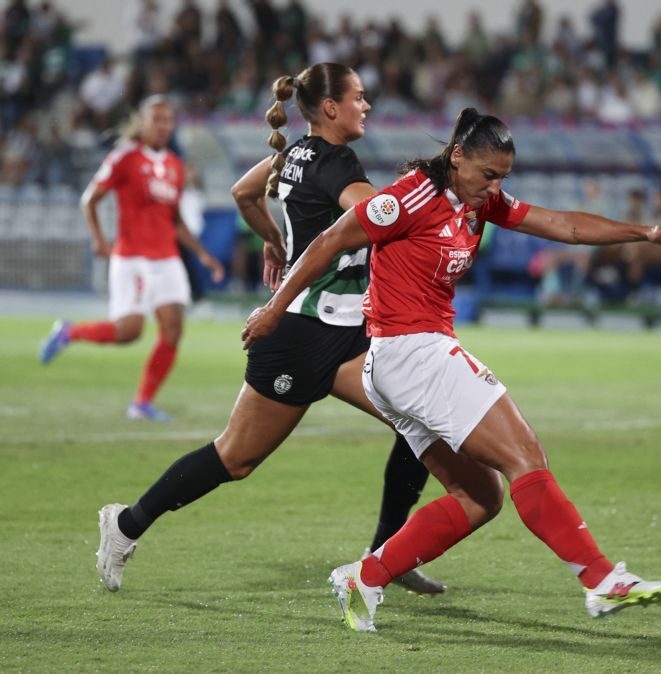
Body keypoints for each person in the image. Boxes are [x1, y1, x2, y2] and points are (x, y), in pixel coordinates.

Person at [243, 107, 661, 633]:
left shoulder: (477, 201)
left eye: (501, 177)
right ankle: (600, 579)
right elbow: (329, 242)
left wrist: (643, 232)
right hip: (413, 353)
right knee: (526, 456)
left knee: (481, 498)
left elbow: (561, 224)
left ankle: (365, 577)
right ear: (457, 157)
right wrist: (273, 309)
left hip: (397, 364)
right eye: (487, 174)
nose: (493, 187)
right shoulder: (408, 198)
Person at [92, 63, 444, 596]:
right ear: (331, 108)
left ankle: (386, 556)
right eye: (359, 97)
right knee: (235, 458)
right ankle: (124, 525)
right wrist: (428, 202)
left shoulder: (293, 153)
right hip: (300, 335)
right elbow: (371, 213)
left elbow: (243, 192)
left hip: (350, 331)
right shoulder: (336, 159)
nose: (367, 106)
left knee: (419, 426)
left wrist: (276, 241)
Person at [38, 96, 225, 421]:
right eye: (156, 119)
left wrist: (203, 256)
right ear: (142, 122)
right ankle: (69, 332)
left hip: (167, 259)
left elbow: (176, 221)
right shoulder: (124, 157)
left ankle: (141, 403)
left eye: (168, 119)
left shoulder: (175, 167)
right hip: (132, 257)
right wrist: (99, 239)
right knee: (129, 331)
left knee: (172, 331)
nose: (163, 125)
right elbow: (90, 199)